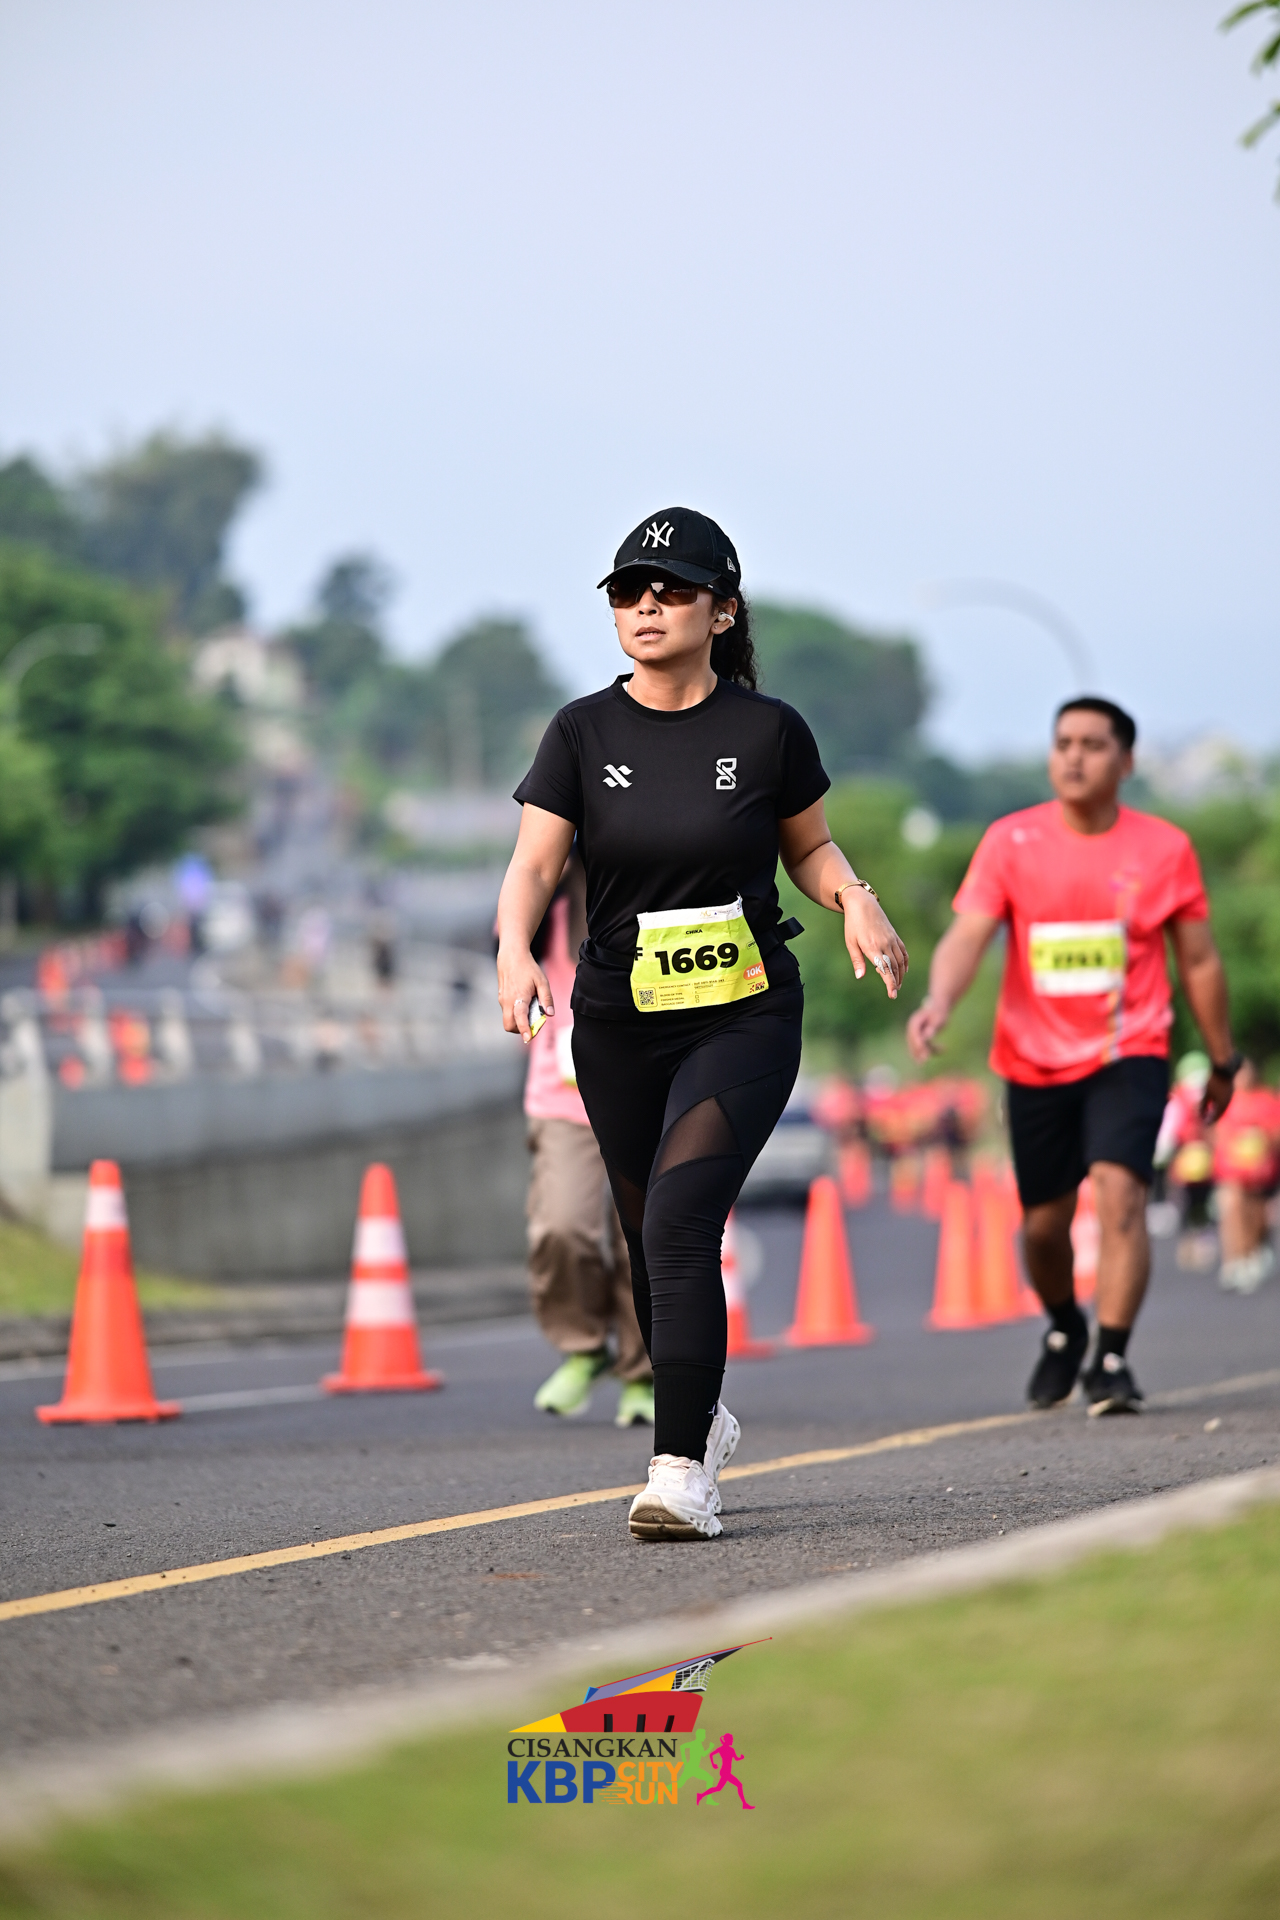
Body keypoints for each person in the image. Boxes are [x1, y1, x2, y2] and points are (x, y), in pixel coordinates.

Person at [496, 506, 907, 1540]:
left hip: (742, 1015)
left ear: (721, 611)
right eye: (627, 590)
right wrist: (512, 948)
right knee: (648, 1236)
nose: (646, 605)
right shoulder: (580, 731)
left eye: (671, 589)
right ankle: (702, 1414)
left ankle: (679, 1470)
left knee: (680, 1220)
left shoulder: (767, 731)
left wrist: (852, 897)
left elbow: (808, 849)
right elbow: (536, 864)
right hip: (617, 1021)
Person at [907, 696, 1238, 1415]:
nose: (1075, 757)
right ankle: (1064, 1325)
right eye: (1064, 743)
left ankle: (1111, 1358)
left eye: (1093, 744)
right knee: (1044, 1225)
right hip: (1033, 1062)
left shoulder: (1164, 848)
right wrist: (938, 1002)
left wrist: (1222, 1058)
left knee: (1122, 1196)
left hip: (1130, 1051)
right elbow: (969, 934)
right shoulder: (1011, 841)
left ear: (1127, 761)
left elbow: (1200, 961)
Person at [523, 848, 654, 1424]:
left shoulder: (652, 891)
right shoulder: (542, 909)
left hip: (645, 1090)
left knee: (641, 1237)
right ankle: (583, 1346)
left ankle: (643, 1373)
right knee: (562, 1225)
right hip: (563, 1097)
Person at [1213, 1059, 1280, 1294]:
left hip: (1260, 1171)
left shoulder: (1266, 1100)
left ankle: (1252, 1252)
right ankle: (1234, 1260)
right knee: (1231, 1208)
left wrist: (1260, 1140)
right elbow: (1215, 1132)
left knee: (1255, 1214)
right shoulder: (1225, 1100)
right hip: (1231, 1169)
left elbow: (1275, 1133)